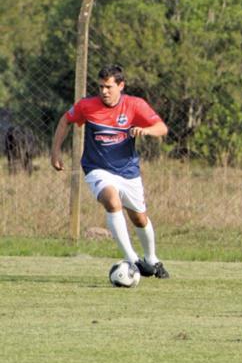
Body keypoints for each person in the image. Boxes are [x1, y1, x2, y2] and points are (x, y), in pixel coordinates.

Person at [51, 65, 170, 279]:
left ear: (121, 86)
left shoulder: (135, 105)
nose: (104, 91)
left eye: (108, 87)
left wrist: (145, 130)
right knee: (112, 200)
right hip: (97, 168)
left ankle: (152, 259)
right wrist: (55, 152)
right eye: (100, 86)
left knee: (139, 218)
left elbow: (162, 128)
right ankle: (132, 260)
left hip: (128, 170)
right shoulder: (87, 106)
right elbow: (65, 121)